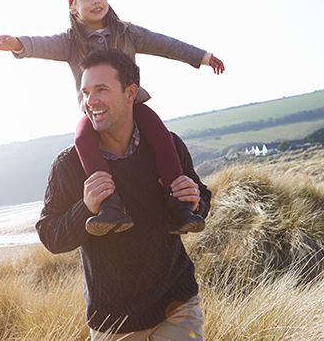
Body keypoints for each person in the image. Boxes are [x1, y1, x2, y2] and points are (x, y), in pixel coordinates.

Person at [0, 0, 223, 236]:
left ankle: (179, 203)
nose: (96, 0)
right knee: (82, 139)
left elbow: (165, 45)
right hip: (96, 113)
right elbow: (42, 44)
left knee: (161, 135)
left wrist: (203, 57)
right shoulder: (70, 42)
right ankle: (110, 205)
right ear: (74, 9)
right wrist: (18, 44)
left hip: (132, 105)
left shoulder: (128, 33)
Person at [36, 49, 211, 340]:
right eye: (86, 92)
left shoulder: (168, 146)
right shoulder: (68, 165)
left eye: (101, 90)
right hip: (114, 321)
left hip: (177, 304)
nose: (91, 101)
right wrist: (86, 207)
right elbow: (50, 236)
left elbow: (201, 197)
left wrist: (196, 201)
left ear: (131, 93)